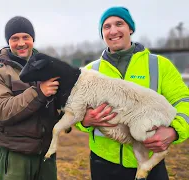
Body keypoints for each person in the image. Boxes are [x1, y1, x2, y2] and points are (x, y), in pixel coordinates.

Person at [74, 6, 189, 180]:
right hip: (104, 163)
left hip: (149, 162)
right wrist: (85, 120)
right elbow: (74, 109)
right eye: (106, 26)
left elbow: (184, 100)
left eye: (119, 23)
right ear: (102, 34)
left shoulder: (159, 65)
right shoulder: (90, 71)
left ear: (130, 28)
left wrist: (174, 131)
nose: (113, 31)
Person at [0, 16, 61, 180]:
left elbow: (59, 104)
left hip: (46, 152)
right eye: (14, 38)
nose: (21, 43)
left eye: (26, 37)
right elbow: (1, 110)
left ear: (33, 39)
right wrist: (38, 92)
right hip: (16, 155)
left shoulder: (48, 66)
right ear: (8, 41)